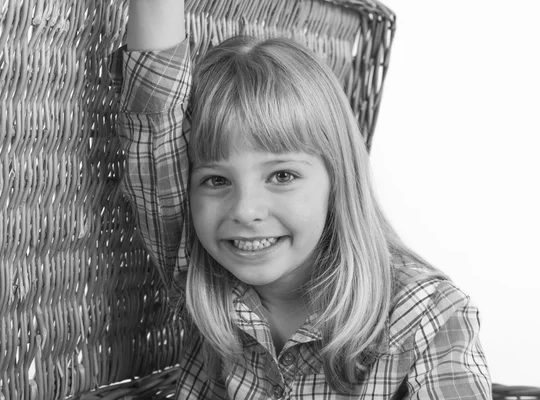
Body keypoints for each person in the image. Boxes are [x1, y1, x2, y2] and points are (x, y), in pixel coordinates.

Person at [116, 0, 492, 398]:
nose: (245, 211)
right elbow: (153, 123)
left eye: (282, 176)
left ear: (338, 179)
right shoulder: (200, 272)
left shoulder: (425, 314)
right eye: (215, 180)